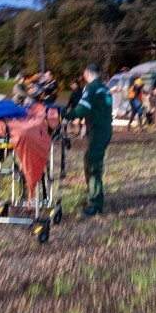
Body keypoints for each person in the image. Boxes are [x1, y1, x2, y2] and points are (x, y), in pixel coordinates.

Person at [63, 63, 113, 217]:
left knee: (93, 165)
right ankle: (93, 195)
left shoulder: (92, 87)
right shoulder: (104, 87)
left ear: (86, 73)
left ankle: (95, 204)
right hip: (104, 129)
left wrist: (66, 115)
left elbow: (83, 108)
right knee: (89, 160)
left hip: (98, 130)